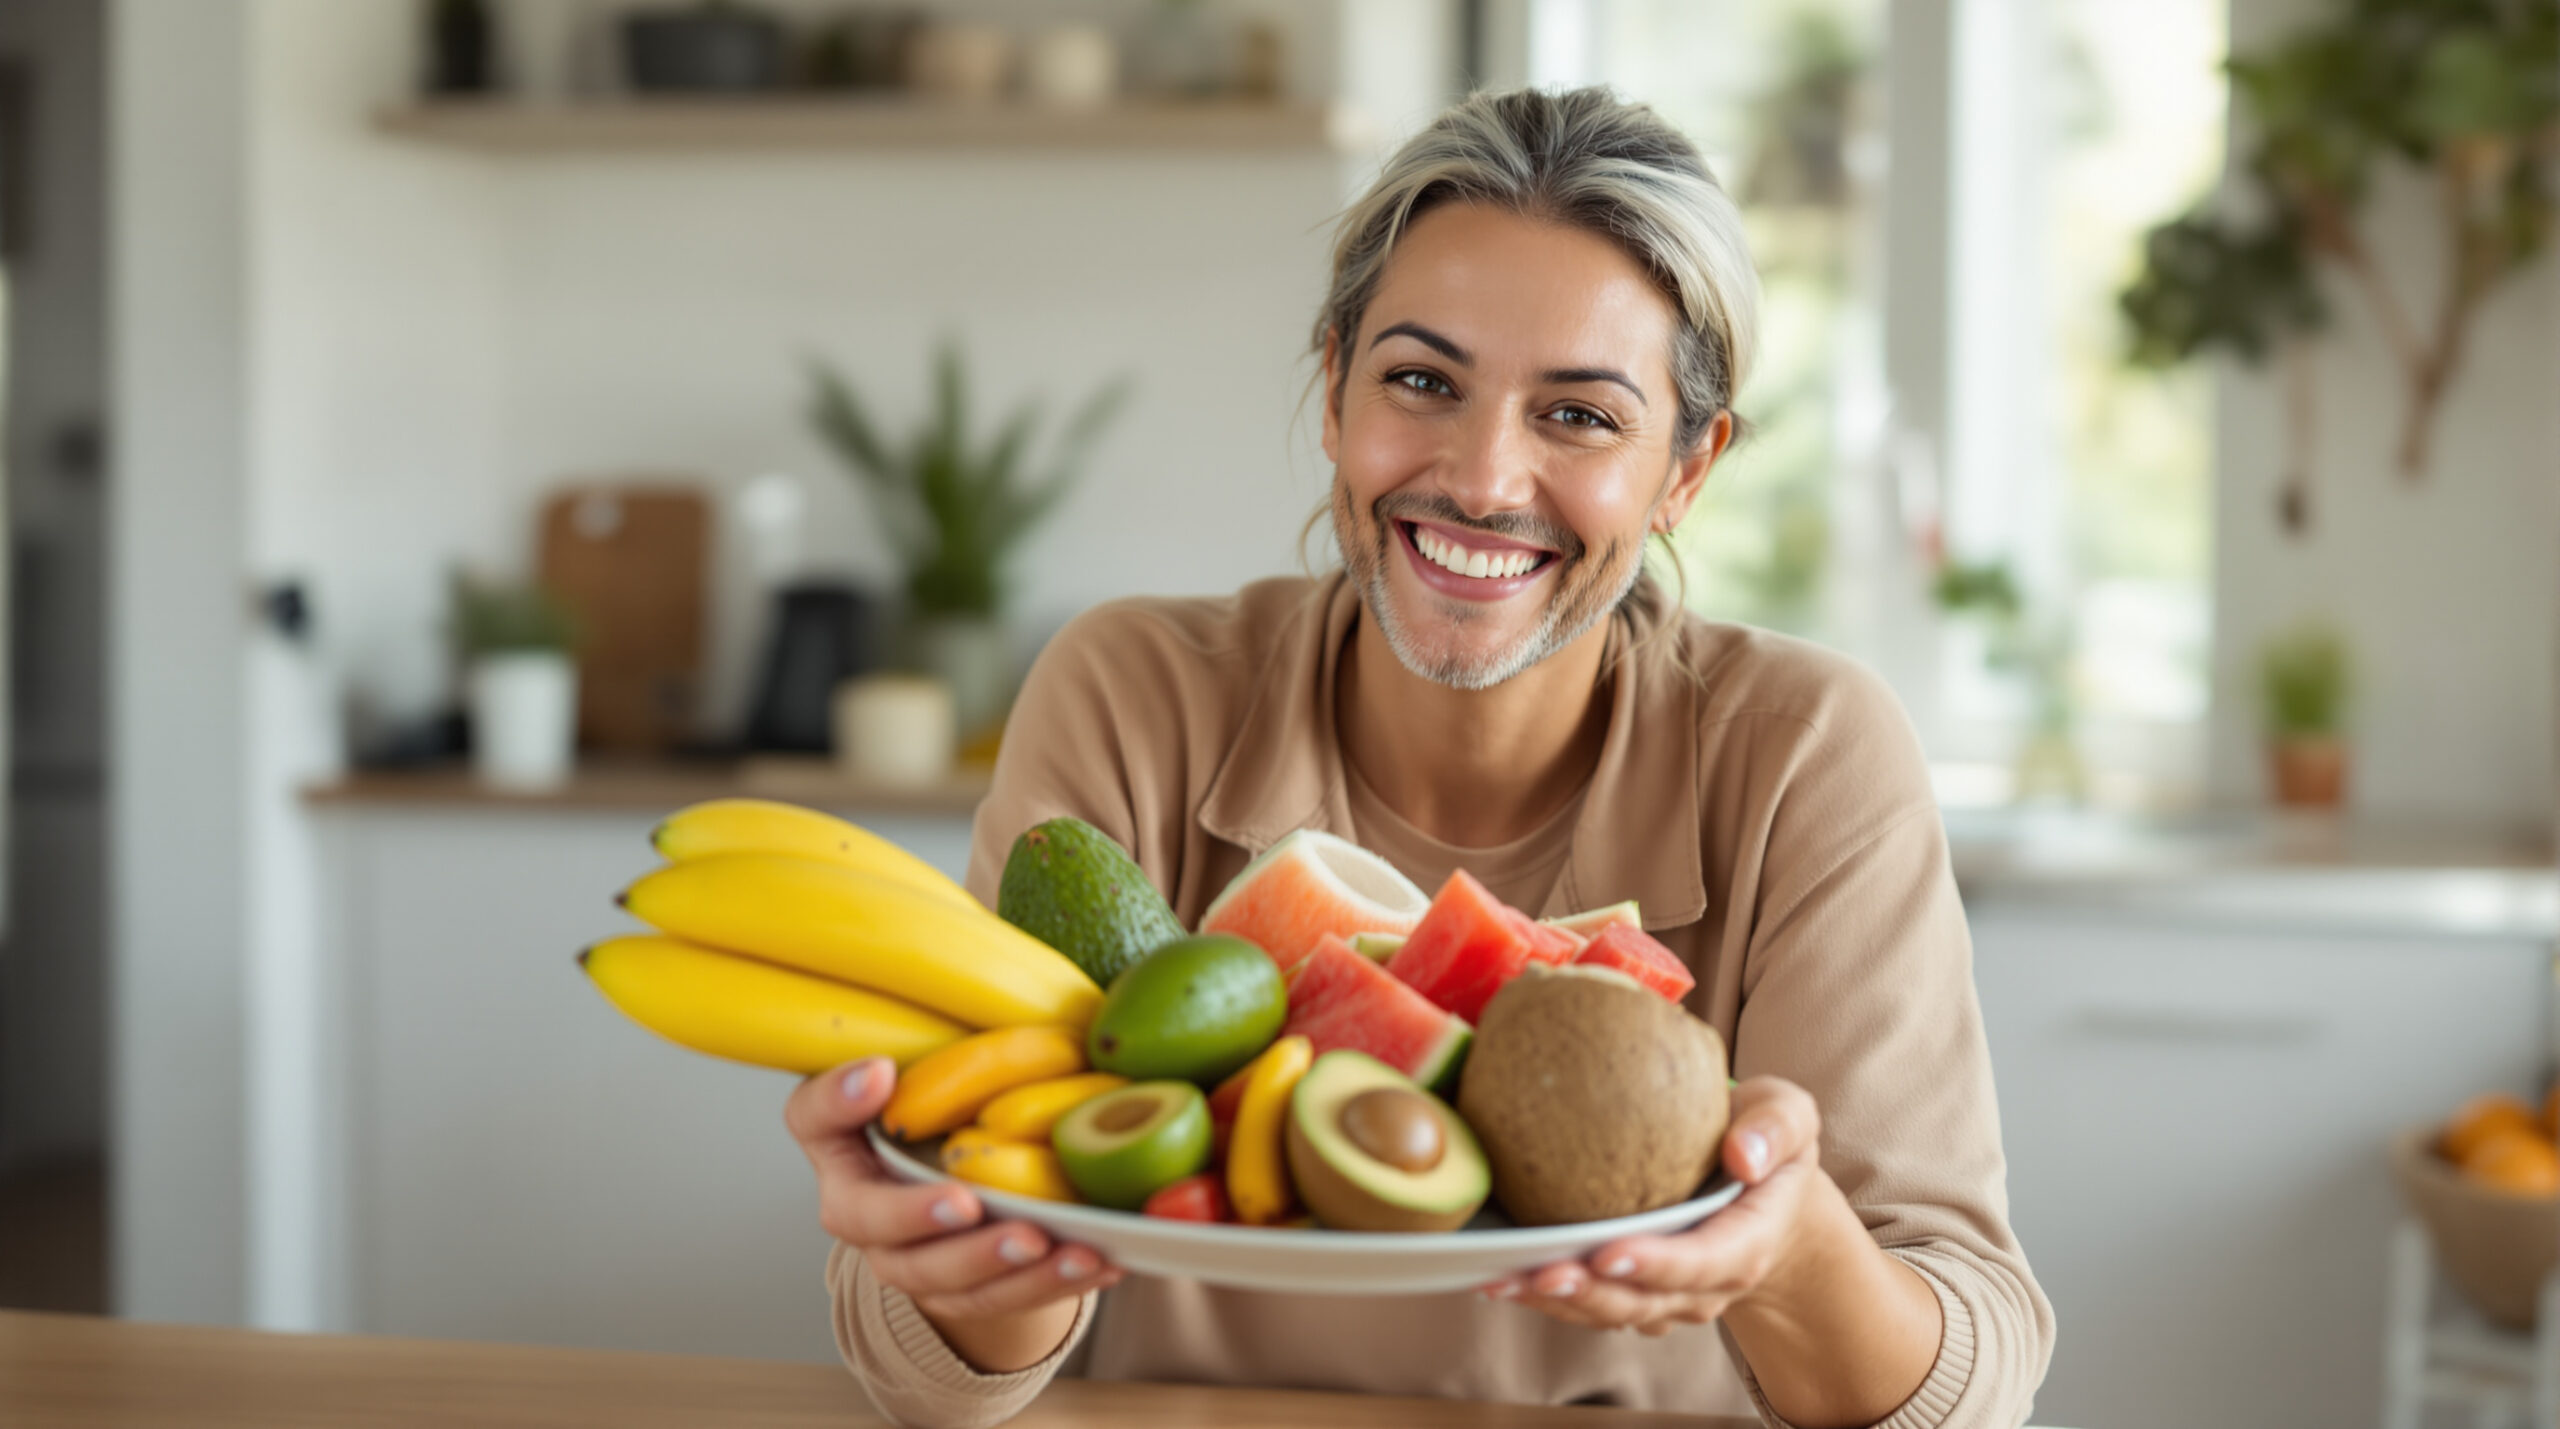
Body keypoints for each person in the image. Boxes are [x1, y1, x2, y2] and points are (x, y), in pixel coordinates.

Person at [784, 87, 2054, 1429]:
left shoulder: (1804, 752)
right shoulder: (1133, 696)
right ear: (1333, 390)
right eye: (1423, 382)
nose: (1484, 478)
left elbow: (1962, 1383)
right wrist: (954, 1245)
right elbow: (945, 1380)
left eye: (1578, 415)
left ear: (1686, 469)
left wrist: (1789, 1245)